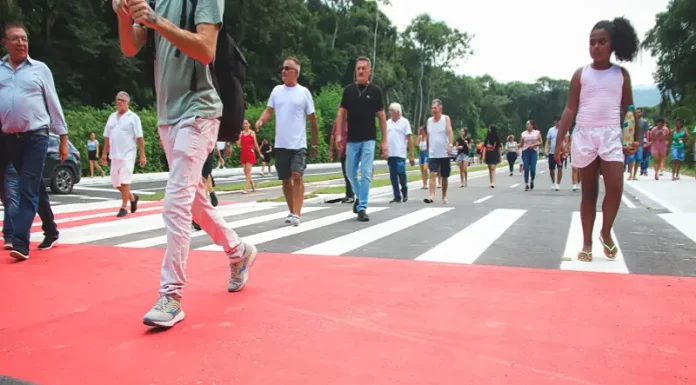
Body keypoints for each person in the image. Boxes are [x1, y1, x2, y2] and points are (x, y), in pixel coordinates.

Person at [115, 0, 257, 329]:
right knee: (192, 199)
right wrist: (123, 14)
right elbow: (129, 46)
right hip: (168, 114)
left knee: (175, 201)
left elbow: (206, 48)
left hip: (200, 108)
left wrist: (156, 21)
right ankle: (238, 252)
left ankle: (171, 295)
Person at [555, 17, 640, 262]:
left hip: (612, 135)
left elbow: (629, 108)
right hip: (585, 134)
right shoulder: (581, 75)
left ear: (613, 45)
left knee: (615, 187)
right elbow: (570, 109)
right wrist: (559, 140)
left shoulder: (621, 74)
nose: (596, 47)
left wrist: (633, 138)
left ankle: (605, 231)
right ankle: (587, 242)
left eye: (602, 42)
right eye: (592, 42)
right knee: (588, 192)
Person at [0, 21, 68, 261]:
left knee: (26, 188)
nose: (21, 42)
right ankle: (50, 230)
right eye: (15, 38)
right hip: (8, 137)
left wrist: (63, 137)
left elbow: (54, 104)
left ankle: (19, 242)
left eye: (24, 38)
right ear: (5, 43)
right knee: (35, 185)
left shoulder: (40, 69)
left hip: (36, 136)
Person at [256, 57, 318, 225]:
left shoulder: (304, 93)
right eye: (283, 68)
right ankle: (291, 211)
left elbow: (312, 121)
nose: (283, 71)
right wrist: (261, 120)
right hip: (281, 143)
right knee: (285, 178)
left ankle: (297, 212)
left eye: (287, 68)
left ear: (295, 73)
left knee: (297, 175)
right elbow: (269, 111)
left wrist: (314, 144)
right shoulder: (277, 91)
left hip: (298, 143)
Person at [333, 56, 387, 222]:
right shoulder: (349, 90)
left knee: (365, 173)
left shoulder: (375, 91)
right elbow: (341, 113)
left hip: (369, 139)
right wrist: (340, 134)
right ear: (355, 71)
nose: (361, 71)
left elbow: (382, 117)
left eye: (364, 68)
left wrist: (385, 140)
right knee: (350, 173)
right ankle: (358, 197)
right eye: (358, 69)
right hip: (352, 139)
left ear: (369, 71)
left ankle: (362, 207)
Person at [101, 91, 146, 217]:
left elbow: (139, 138)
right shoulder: (112, 117)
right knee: (116, 182)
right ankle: (132, 197)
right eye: (117, 99)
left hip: (128, 154)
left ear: (127, 102)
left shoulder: (133, 117)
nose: (119, 102)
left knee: (125, 180)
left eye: (122, 100)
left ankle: (123, 207)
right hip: (115, 155)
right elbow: (106, 137)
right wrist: (104, 153)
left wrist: (142, 155)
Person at [423, 99, 453, 204]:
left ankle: (444, 196)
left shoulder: (446, 119)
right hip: (433, 153)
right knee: (432, 173)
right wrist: (427, 147)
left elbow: (450, 132)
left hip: (444, 153)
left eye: (435, 108)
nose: (433, 110)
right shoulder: (429, 121)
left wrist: (450, 145)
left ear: (440, 108)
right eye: (432, 108)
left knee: (444, 176)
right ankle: (431, 196)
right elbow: (428, 135)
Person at [385, 102, 414, 203]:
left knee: (401, 173)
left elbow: (409, 138)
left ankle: (404, 191)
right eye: (390, 111)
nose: (390, 113)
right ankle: (396, 195)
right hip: (391, 153)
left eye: (392, 111)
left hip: (400, 153)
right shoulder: (387, 123)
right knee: (393, 175)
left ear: (397, 112)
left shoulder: (404, 122)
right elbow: (385, 137)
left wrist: (411, 154)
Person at [545, 116, 568, 191]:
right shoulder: (551, 130)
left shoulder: (565, 130)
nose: (556, 122)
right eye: (555, 121)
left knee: (559, 168)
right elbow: (548, 141)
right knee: (551, 169)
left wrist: (566, 151)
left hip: (560, 152)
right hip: (552, 152)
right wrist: (546, 150)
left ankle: (558, 184)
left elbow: (566, 141)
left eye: (558, 121)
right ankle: (553, 182)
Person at [520, 120, 542, 191]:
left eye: (528, 124)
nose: (527, 125)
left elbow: (541, 142)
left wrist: (534, 145)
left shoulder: (537, 133)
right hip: (525, 151)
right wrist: (519, 144)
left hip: (533, 151)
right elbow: (521, 144)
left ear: (532, 125)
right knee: (526, 168)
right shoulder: (523, 134)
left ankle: (532, 180)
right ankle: (526, 184)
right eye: (526, 124)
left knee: (532, 168)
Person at [482, 124, 502, 188]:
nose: (489, 130)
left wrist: (500, 156)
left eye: (490, 128)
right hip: (488, 153)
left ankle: (493, 182)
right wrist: (483, 155)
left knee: (493, 168)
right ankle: (490, 182)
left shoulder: (496, 137)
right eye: (489, 128)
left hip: (494, 153)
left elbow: (499, 147)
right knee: (490, 168)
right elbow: (484, 147)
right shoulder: (487, 137)